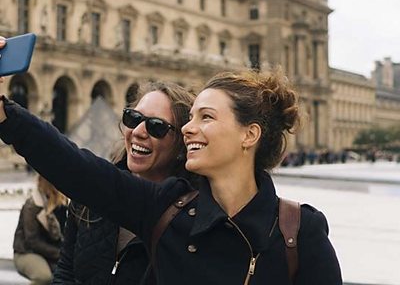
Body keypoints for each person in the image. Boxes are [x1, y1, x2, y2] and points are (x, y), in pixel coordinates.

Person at [0, 64, 342, 284]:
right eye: (190, 118)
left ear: (249, 135)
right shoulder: (166, 208)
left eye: (206, 117)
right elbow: (76, 168)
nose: (188, 129)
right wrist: (5, 113)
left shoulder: (299, 232)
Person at [52, 81, 195, 284]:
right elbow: (66, 270)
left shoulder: (191, 217)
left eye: (156, 126)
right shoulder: (94, 188)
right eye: (133, 118)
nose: (138, 131)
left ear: (182, 144)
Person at [13, 174, 68, 285]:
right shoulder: (32, 205)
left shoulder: (63, 204)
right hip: (27, 252)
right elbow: (32, 241)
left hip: (53, 253)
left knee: (68, 275)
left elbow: (66, 234)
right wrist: (59, 254)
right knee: (44, 277)